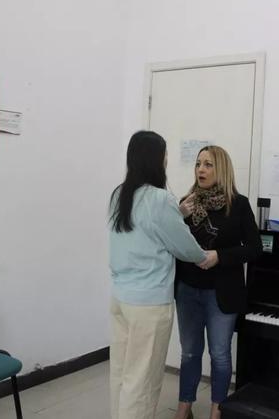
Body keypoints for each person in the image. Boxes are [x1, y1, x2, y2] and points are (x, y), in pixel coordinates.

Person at [108, 131, 207, 419]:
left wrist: (178, 213)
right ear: (156, 160)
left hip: (121, 298)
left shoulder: (120, 194)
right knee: (142, 380)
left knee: (122, 373)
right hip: (149, 305)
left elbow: (145, 227)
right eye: (164, 156)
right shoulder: (160, 199)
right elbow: (184, 247)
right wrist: (205, 257)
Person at [173, 146, 262, 419]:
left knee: (220, 354)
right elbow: (172, 241)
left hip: (221, 293)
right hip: (187, 289)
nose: (200, 169)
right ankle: (184, 407)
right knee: (189, 353)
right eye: (198, 163)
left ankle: (217, 410)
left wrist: (219, 256)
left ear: (221, 169)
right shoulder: (187, 203)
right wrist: (177, 216)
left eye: (208, 164)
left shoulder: (239, 204)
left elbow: (255, 248)